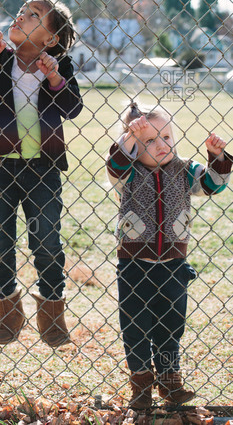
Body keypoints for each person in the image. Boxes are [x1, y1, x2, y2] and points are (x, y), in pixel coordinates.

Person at [0, 0, 83, 347]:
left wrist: (55, 77)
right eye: (20, 12)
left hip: (44, 169)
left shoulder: (60, 65)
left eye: (33, 15)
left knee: (46, 240)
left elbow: (72, 108)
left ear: (51, 38)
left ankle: (53, 314)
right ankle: (7, 312)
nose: (21, 17)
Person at [106, 101, 232, 408]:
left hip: (174, 264)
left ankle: (169, 379)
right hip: (134, 264)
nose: (161, 145)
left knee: (171, 324)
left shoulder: (184, 170)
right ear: (133, 145)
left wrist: (217, 157)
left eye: (167, 137)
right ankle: (140, 384)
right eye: (149, 140)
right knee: (135, 325)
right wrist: (128, 141)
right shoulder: (127, 174)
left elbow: (213, 185)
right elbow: (115, 163)